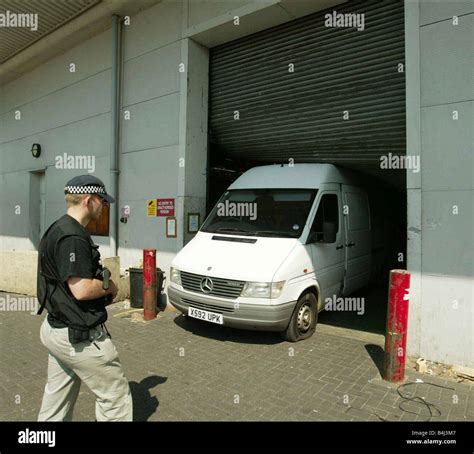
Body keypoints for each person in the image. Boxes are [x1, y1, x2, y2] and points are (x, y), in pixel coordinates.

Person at [36, 175, 133, 421]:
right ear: (89, 200)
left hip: (55, 329)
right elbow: (80, 289)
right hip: (79, 336)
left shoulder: (57, 227)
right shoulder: (73, 237)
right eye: (102, 201)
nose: (104, 206)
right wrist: (110, 286)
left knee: (56, 400)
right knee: (115, 398)